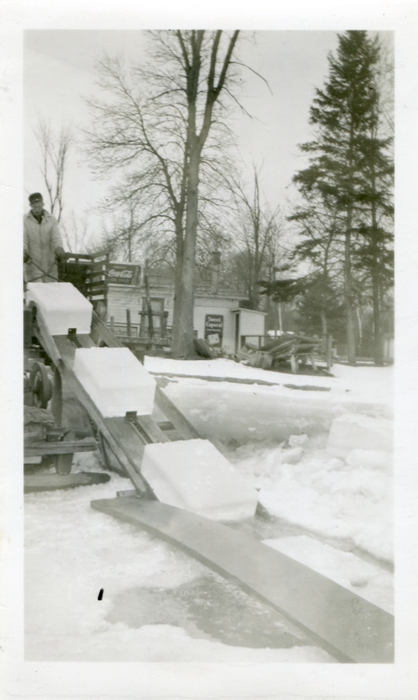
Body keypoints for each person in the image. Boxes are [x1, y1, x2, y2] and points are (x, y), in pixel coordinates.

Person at [24, 193, 66, 283]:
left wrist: (58, 248)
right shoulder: (24, 220)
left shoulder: (51, 220)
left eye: (39, 206)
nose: (37, 210)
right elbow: (23, 240)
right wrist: (23, 251)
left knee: (51, 293)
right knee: (36, 294)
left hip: (50, 267)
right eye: (34, 207)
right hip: (33, 266)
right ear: (30, 205)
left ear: (43, 204)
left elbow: (56, 238)